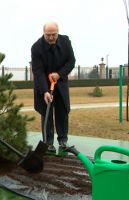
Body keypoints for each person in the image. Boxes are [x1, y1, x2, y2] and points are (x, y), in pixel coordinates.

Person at [31, 22, 75, 152]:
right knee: (47, 112)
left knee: (62, 111)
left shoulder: (66, 41)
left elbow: (71, 62)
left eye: (53, 34)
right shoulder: (36, 47)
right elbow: (37, 71)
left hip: (60, 82)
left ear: (58, 32)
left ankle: (63, 140)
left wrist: (59, 74)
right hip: (43, 83)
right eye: (48, 35)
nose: (50, 37)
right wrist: (45, 91)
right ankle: (48, 142)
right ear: (43, 33)